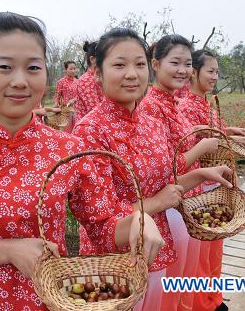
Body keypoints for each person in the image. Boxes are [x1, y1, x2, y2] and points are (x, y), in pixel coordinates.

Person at [0, 12, 167, 310]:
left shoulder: (69, 149)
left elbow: (102, 225)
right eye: (4, 67)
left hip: (52, 301)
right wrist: (7, 250)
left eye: (32, 68)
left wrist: (138, 221)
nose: (20, 81)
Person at [72, 29, 233, 311]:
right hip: (117, 263)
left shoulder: (150, 122)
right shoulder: (90, 131)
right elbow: (100, 225)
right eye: (119, 65)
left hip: (159, 248)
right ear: (98, 72)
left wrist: (201, 175)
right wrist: (157, 203)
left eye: (139, 64)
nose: (132, 74)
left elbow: (165, 182)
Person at [139, 34, 224, 311]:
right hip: (170, 204)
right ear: (155, 64)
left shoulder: (173, 102)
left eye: (187, 63)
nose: (182, 70)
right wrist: (201, 148)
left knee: (185, 280)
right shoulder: (151, 106)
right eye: (174, 62)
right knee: (173, 283)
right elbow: (165, 168)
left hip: (187, 197)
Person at [177, 49, 245, 311]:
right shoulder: (185, 105)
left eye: (217, 72)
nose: (215, 76)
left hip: (214, 181)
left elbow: (212, 136)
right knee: (201, 253)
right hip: (199, 185)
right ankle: (202, 302)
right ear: (194, 73)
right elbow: (197, 143)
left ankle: (212, 298)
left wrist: (228, 133)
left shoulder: (204, 102)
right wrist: (224, 138)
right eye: (210, 71)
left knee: (213, 249)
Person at [74, 41, 104, 122]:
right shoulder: (86, 80)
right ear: (93, 59)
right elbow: (93, 109)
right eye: (103, 57)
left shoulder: (99, 76)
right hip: (89, 127)